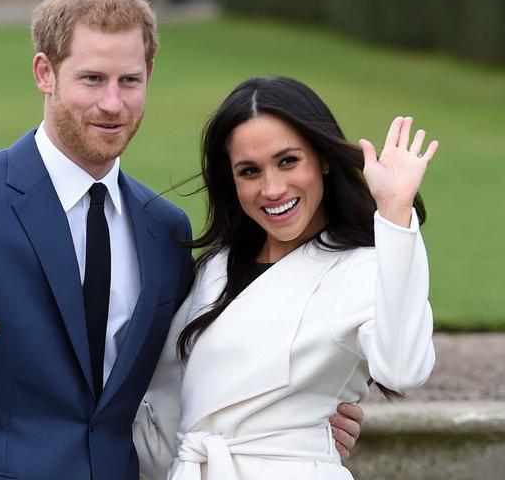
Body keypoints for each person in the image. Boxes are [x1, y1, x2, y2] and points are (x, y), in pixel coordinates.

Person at [0, 0, 362, 479]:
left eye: (129, 81)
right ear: (45, 72)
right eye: (92, 79)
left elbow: (184, 370)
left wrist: (295, 415)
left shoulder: (164, 228)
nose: (112, 103)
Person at [133, 76, 437, 480]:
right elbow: (167, 405)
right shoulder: (215, 268)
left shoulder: (360, 268)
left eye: (288, 161)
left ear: (323, 158)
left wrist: (395, 214)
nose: (273, 188)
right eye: (250, 171)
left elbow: (404, 369)